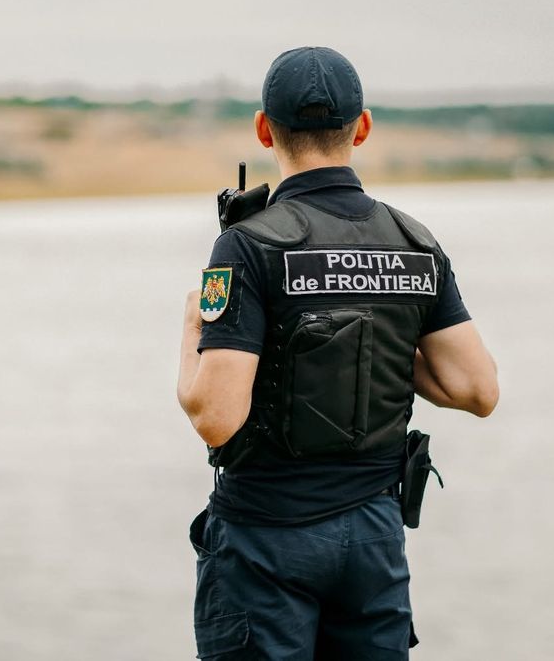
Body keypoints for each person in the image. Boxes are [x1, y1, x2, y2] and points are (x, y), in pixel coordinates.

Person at [176, 46, 499, 660]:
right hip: (373, 541)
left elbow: (215, 417)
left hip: (265, 541)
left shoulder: (247, 245)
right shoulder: (413, 243)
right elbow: (477, 391)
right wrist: (377, 332)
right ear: (363, 127)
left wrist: (193, 325)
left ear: (264, 129)